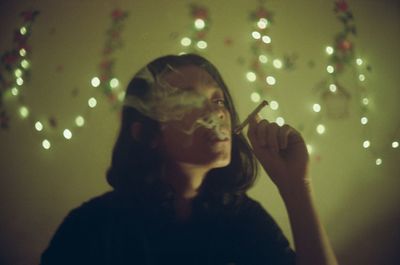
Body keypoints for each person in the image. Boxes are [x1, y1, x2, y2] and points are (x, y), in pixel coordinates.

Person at [40, 54, 339, 265]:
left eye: (217, 100)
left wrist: (296, 187)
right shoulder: (92, 227)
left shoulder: (238, 217)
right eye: (187, 100)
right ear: (147, 134)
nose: (216, 113)